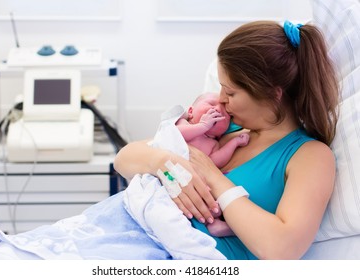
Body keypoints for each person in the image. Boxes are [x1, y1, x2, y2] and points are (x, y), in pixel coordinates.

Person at [114, 20, 339, 259]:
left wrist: (213, 176)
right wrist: (164, 162)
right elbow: (124, 159)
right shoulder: (224, 128)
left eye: (230, 92)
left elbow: (282, 248)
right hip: (139, 234)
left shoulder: (309, 156)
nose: (220, 100)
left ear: (273, 94)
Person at [175, 92, 249, 236]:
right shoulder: (184, 124)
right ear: (190, 112)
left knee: (210, 198)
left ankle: (213, 223)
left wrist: (235, 143)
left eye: (226, 115)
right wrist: (202, 126)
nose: (218, 110)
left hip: (197, 182)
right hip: (173, 176)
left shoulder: (213, 143)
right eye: (210, 104)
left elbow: (214, 162)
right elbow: (175, 135)